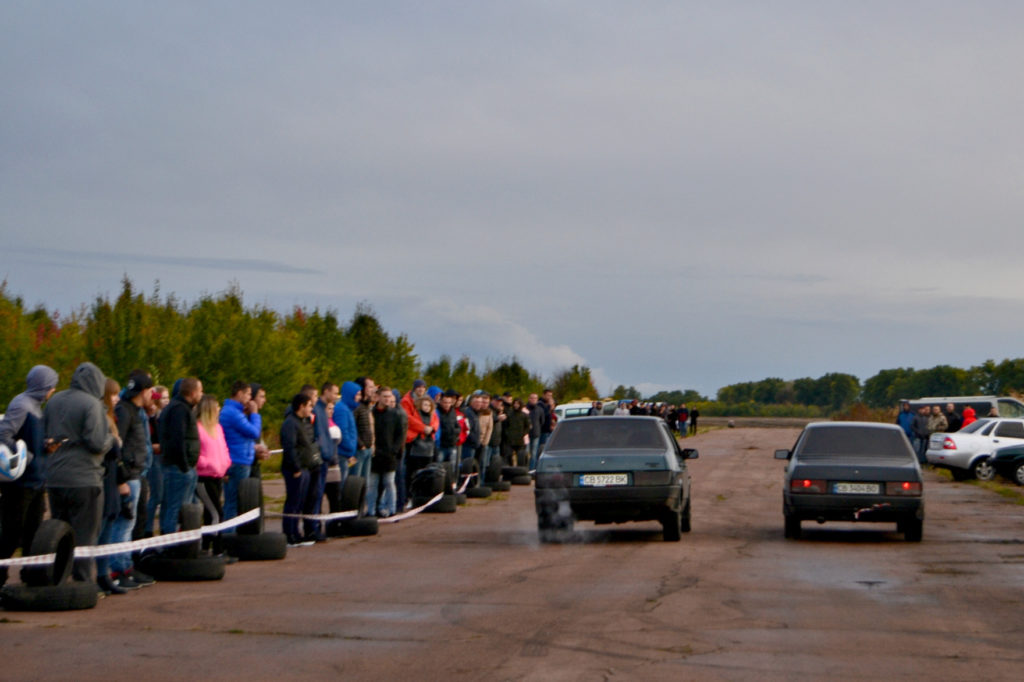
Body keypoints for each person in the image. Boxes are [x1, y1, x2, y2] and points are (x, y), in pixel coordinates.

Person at [44, 362, 115, 584]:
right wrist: (110, 440)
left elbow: (46, 434)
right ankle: (83, 584)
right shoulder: (92, 404)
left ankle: (57, 579)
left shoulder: (54, 401)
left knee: (59, 532)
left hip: (55, 477)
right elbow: (95, 443)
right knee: (84, 535)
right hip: (85, 478)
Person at [0, 365, 58, 588]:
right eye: (51, 385)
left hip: (37, 480)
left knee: (33, 533)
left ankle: (31, 577)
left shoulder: (36, 407)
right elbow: (4, 434)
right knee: (10, 534)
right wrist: (27, 453)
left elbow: (29, 436)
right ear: (43, 385)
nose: (52, 390)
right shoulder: (21, 404)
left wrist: (45, 445)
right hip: (20, 483)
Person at [109, 371, 155, 589]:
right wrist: (122, 476)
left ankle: (126, 566)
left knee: (130, 523)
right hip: (129, 476)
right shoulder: (125, 411)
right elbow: (118, 443)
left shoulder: (136, 411)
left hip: (138, 473)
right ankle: (117, 569)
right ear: (145, 391)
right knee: (124, 524)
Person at [158, 377, 202, 536]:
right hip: (179, 468)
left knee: (181, 508)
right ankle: (171, 545)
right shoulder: (179, 409)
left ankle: (181, 543)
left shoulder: (180, 408)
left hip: (181, 466)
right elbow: (177, 439)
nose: (201, 394)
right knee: (176, 509)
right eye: (200, 390)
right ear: (192, 392)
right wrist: (184, 465)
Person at [280, 392, 320, 546]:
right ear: (301, 406)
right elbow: (289, 447)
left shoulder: (303, 421)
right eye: (309, 405)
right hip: (295, 469)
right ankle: (289, 533)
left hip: (305, 468)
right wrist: (296, 468)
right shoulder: (290, 423)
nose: (311, 409)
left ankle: (296, 532)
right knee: (293, 501)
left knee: (300, 502)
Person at [220, 380, 262, 520]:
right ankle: (229, 535)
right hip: (238, 460)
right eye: (248, 394)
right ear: (239, 393)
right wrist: (255, 414)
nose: (250, 398)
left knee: (232, 502)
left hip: (237, 457)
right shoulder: (234, 414)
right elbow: (254, 432)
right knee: (234, 503)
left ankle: (229, 533)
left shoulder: (232, 411)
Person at [196, 394, 231, 556]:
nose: (219, 410)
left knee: (211, 513)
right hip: (204, 476)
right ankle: (217, 548)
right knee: (216, 512)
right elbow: (196, 455)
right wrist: (209, 464)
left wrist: (225, 465)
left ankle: (206, 546)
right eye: (216, 406)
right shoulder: (198, 428)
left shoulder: (218, 428)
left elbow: (223, 449)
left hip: (218, 475)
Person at [368, 387, 403, 517]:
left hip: (389, 455)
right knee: (372, 484)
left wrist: (394, 450)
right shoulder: (371, 413)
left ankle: (391, 509)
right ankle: (371, 510)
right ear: (378, 397)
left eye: (389, 396)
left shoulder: (395, 414)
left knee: (389, 482)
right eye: (385, 396)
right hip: (375, 455)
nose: (387, 399)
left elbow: (400, 434)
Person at [351, 379, 375, 481]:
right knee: (356, 481)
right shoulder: (356, 406)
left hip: (368, 448)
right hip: (359, 449)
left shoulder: (366, 406)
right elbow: (352, 427)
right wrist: (361, 444)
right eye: (370, 387)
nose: (373, 389)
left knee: (365, 483)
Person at [504, 397, 531, 468]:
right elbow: (505, 425)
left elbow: (528, 426)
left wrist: (523, 433)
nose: (516, 405)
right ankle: (510, 468)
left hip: (520, 439)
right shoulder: (509, 414)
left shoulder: (524, 415)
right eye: (515, 403)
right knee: (508, 455)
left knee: (521, 457)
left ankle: (521, 469)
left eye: (518, 404)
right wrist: (507, 433)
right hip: (510, 439)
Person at [526, 393, 545, 467]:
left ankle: (532, 469)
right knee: (526, 453)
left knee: (534, 454)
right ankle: (525, 469)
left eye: (535, 398)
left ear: (537, 400)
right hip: (526, 434)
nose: (533, 400)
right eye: (532, 398)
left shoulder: (540, 410)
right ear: (529, 399)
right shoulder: (525, 409)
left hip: (536, 433)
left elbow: (542, 421)